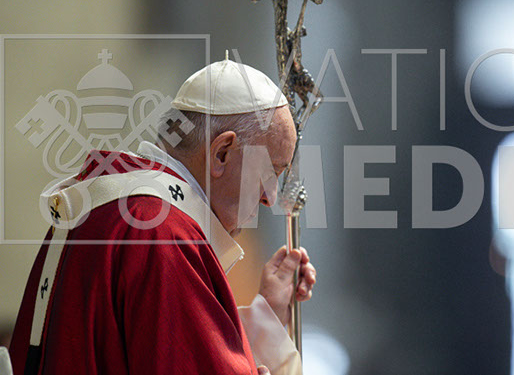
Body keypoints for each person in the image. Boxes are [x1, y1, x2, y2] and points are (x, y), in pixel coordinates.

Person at [9, 60, 316, 375]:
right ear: (222, 152)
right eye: (270, 171)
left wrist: (268, 317)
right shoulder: (162, 232)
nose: (270, 198)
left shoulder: (109, 205)